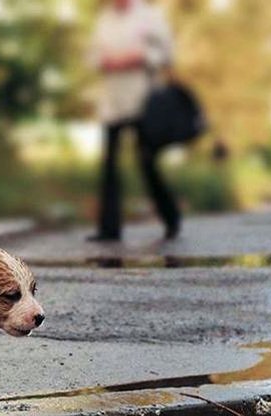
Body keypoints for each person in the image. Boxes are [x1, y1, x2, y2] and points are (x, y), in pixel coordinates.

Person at [88, 0, 181, 241]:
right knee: (110, 166)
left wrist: (140, 56)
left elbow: (168, 54)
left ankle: (171, 218)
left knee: (146, 162)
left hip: (144, 102)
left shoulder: (150, 16)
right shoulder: (104, 19)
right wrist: (105, 61)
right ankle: (109, 229)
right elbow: (92, 56)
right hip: (113, 103)